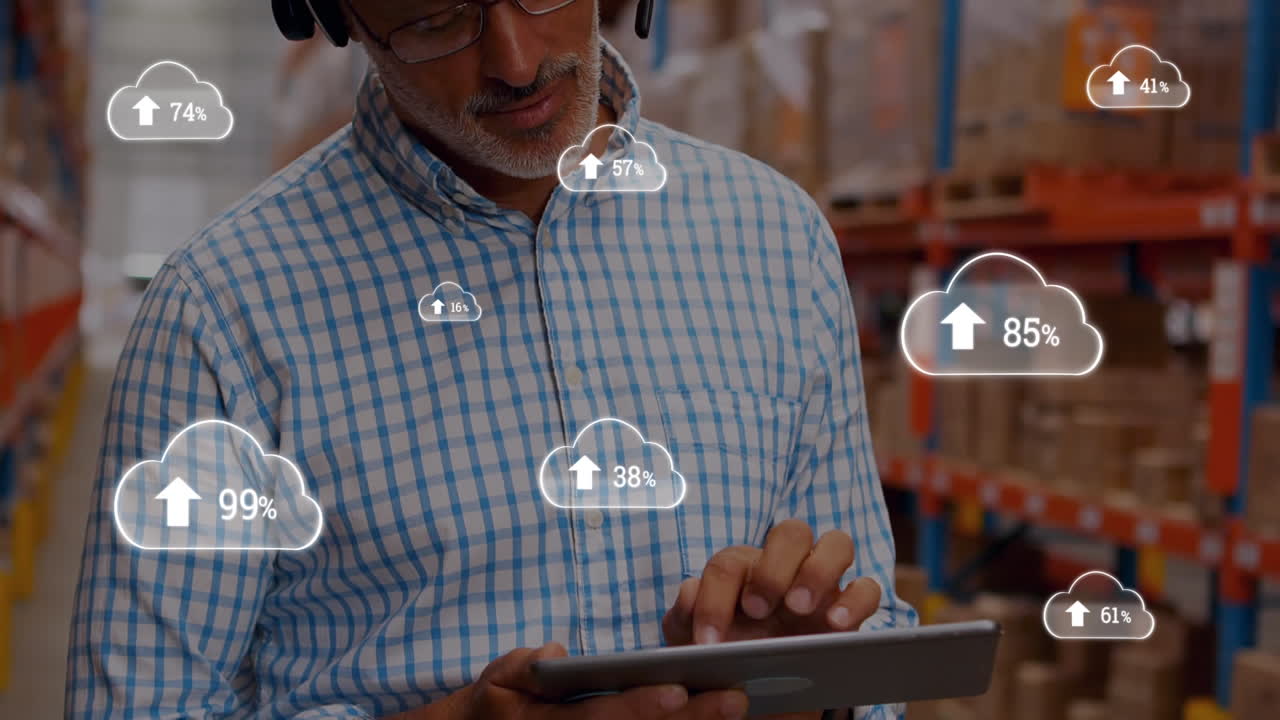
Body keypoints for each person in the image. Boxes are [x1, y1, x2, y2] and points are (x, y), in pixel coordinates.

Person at [68, 1, 915, 718]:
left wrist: (806, 679)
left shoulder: (776, 238)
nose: (515, 62)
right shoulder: (221, 310)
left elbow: (879, 646)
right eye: (438, 18)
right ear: (339, 17)